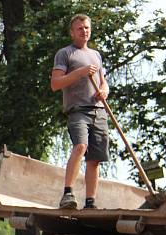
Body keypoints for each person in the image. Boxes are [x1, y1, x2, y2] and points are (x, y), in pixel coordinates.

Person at [51, 13, 110, 210]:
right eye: (79, 28)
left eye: (86, 28)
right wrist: (79, 73)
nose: (84, 31)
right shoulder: (65, 53)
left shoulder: (96, 55)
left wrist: (104, 91)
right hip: (78, 111)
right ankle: (68, 193)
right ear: (72, 33)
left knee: (95, 158)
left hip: (99, 111)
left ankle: (90, 202)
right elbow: (55, 83)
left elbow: (104, 83)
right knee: (81, 146)